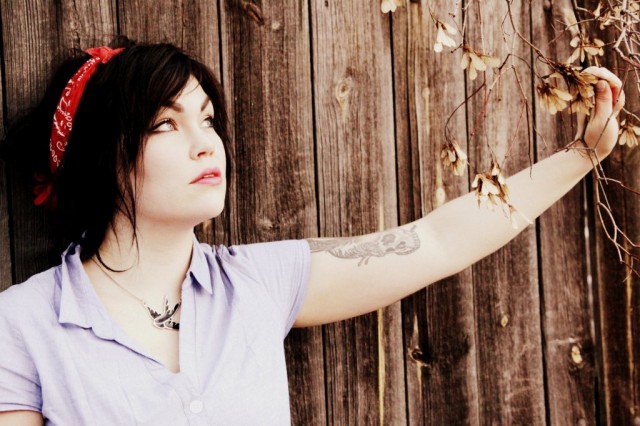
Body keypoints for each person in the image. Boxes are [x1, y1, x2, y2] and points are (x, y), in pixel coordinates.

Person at [0, 36, 624, 425]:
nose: (205, 143)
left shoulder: (257, 284)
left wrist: (583, 154)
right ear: (101, 156)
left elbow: (436, 241)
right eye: (166, 123)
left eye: (208, 119)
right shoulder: (24, 325)